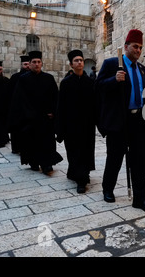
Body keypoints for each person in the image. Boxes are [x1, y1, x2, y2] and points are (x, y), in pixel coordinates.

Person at [95, 29, 145, 213]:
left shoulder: (142, 69)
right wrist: (114, 80)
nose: (138, 50)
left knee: (139, 159)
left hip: (137, 120)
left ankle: (140, 198)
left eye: (140, 47)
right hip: (119, 120)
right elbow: (98, 87)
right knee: (115, 157)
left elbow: (144, 94)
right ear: (126, 46)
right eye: (135, 46)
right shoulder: (113, 64)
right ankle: (108, 189)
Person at [8, 51, 63, 175]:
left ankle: (47, 164)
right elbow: (19, 100)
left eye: (39, 62)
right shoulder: (23, 79)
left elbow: (55, 97)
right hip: (30, 119)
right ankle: (33, 162)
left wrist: (53, 112)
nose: (36, 64)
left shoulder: (48, 78)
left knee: (46, 142)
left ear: (42, 63)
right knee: (30, 142)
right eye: (34, 62)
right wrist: (27, 115)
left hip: (45, 118)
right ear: (30, 64)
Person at [56, 50, 96, 193]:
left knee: (86, 151)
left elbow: (95, 104)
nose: (80, 62)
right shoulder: (66, 83)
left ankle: (82, 176)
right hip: (71, 126)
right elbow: (61, 106)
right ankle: (80, 178)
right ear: (71, 64)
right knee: (74, 151)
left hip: (87, 125)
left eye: (81, 60)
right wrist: (60, 128)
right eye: (76, 60)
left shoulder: (90, 82)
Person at [7, 55, 31, 154]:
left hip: (29, 110)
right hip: (17, 109)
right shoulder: (15, 77)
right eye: (25, 64)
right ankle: (16, 148)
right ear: (21, 65)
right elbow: (10, 94)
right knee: (17, 130)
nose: (27, 66)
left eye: (29, 64)